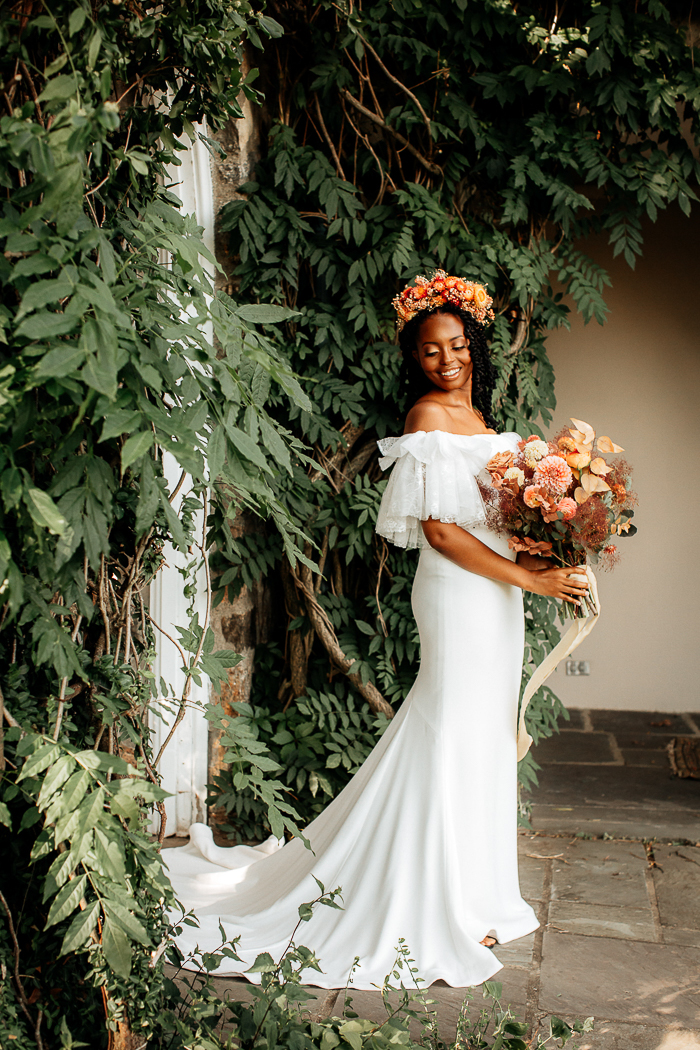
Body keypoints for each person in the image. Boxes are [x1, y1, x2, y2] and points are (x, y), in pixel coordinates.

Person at [165, 271, 588, 991]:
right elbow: (441, 535)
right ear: (415, 359)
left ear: (473, 347)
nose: (445, 360)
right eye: (430, 350)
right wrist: (533, 580)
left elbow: (496, 522)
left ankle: (476, 893)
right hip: (459, 594)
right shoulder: (426, 418)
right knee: (449, 729)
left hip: (499, 601)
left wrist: (550, 548)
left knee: (482, 738)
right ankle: (435, 900)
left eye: (455, 345)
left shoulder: (485, 422)